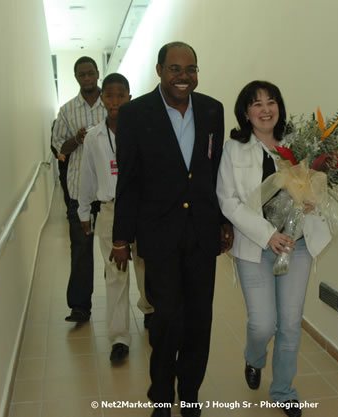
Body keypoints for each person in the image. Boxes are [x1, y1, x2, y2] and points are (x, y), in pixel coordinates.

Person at [111, 42, 233, 417]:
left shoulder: (213, 110)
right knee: (166, 319)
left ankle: (190, 393)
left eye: (191, 69)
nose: (184, 77)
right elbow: (128, 179)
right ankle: (162, 394)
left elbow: (216, 174)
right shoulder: (134, 114)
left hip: (201, 234)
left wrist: (224, 221)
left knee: (199, 318)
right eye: (176, 69)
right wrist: (121, 237)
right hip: (158, 234)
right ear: (160, 69)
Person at [216, 81, 330, 417]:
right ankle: (254, 357)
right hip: (255, 247)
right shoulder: (234, 149)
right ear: (246, 112)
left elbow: (316, 186)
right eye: (256, 104)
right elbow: (228, 201)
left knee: (291, 323)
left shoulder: (297, 144)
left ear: (279, 106)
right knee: (263, 324)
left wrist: (312, 201)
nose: (265, 109)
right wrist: (267, 235)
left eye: (271, 102)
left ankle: (283, 391)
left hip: (298, 245)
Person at [77, 73, 154, 364]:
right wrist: (84, 211)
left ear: (130, 98)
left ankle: (148, 309)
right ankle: (119, 337)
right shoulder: (95, 137)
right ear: (101, 100)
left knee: (146, 267)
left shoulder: (143, 132)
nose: (114, 101)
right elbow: (88, 176)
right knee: (115, 275)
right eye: (109, 96)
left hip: (142, 211)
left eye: (120, 95)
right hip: (109, 210)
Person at [52, 56, 107, 323]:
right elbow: (59, 148)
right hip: (78, 192)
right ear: (76, 77)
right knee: (81, 251)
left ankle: (129, 306)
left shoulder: (111, 104)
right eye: (81, 75)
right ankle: (80, 307)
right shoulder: (67, 111)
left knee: (115, 252)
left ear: (98, 74)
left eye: (90, 73)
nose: (86, 78)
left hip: (109, 193)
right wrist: (77, 139)